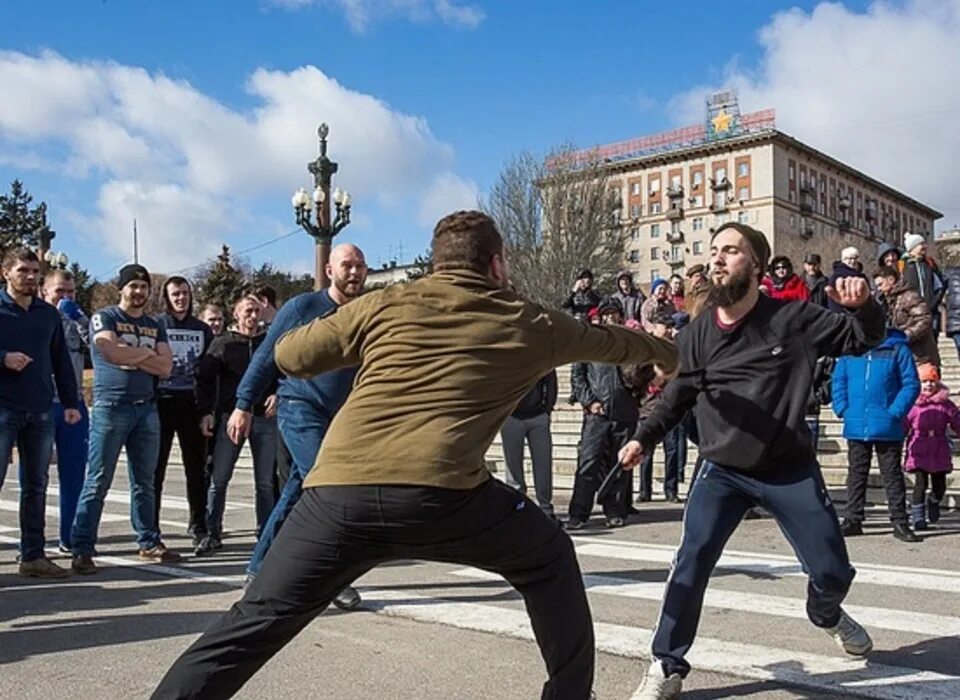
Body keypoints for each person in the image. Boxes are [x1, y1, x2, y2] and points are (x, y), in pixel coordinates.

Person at [151, 210, 679, 700]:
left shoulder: (386, 303)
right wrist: (670, 353)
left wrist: (349, 330)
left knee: (252, 623)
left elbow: (290, 354)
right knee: (549, 558)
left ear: (435, 263)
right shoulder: (531, 321)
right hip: (446, 498)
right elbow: (611, 344)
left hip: (338, 496)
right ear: (496, 264)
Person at [619, 222, 884, 700]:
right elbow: (676, 397)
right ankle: (666, 663)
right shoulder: (697, 334)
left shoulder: (794, 319)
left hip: (789, 469)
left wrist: (864, 306)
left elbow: (862, 338)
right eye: (714, 250)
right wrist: (643, 438)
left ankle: (825, 613)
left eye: (732, 251)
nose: (718, 259)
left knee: (833, 573)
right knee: (691, 560)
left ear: (757, 266)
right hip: (722, 471)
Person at [230, 244, 368, 610]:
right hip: (300, 407)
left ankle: (259, 569)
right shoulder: (302, 308)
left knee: (296, 492)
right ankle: (333, 579)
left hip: (340, 416)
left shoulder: (366, 312)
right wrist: (243, 404)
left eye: (359, 266)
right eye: (347, 266)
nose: (354, 272)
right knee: (330, 489)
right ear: (329, 271)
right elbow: (265, 357)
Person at [71, 264, 180, 574]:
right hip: (111, 407)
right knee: (98, 480)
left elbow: (167, 368)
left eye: (143, 287)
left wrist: (133, 352)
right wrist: (146, 355)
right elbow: (111, 353)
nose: (139, 292)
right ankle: (82, 548)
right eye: (133, 286)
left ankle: (148, 542)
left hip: (146, 409)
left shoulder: (154, 324)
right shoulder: (105, 317)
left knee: (145, 482)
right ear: (121, 288)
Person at [0, 248, 80, 578]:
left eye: (35, 271)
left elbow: (62, 360)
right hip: (3, 408)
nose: (31, 277)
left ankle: (32, 555)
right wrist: (3, 357)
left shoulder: (47, 315)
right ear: (6, 272)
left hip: (40, 409)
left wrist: (72, 403)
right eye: (23, 271)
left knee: (36, 485)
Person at [195, 294, 278, 554]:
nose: (253, 317)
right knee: (219, 479)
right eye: (247, 312)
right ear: (236, 314)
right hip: (230, 418)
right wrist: (206, 412)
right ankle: (212, 532)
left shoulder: (270, 342)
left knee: (265, 483)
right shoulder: (223, 344)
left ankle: (266, 533)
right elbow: (204, 380)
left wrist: (278, 394)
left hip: (264, 420)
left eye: (256, 311)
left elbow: (284, 372)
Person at [832, 327, 921, 542]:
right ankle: (853, 519)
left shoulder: (898, 348)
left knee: (892, 475)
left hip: (887, 424)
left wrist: (895, 411)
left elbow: (911, 383)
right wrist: (842, 407)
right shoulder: (850, 349)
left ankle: (899, 521)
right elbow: (838, 380)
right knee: (856, 473)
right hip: (856, 422)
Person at [567, 296, 638, 530]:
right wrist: (589, 402)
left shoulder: (629, 342)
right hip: (597, 413)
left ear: (620, 316)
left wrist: (636, 396)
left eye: (614, 313)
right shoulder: (590, 342)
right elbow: (577, 375)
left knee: (619, 467)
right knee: (588, 462)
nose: (610, 317)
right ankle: (579, 513)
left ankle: (615, 510)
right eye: (606, 314)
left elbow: (642, 374)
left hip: (624, 412)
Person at [155, 276, 214, 546]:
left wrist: (207, 410)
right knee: (156, 469)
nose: (181, 298)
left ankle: (198, 524)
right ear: (167, 297)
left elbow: (210, 374)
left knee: (196, 468)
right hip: (162, 402)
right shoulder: (157, 326)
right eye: (176, 294)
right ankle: (151, 527)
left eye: (185, 294)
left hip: (192, 404)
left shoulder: (203, 330)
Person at [41, 268, 90, 553]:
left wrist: (79, 317)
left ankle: (69, 537)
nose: (66, 297)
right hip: (41, 405)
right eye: (60, 291)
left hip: (73, 405)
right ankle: (32, 543)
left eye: (71, 292)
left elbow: (97, 346)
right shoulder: (36, 320)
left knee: (74, 475)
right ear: (44, 292)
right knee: (36, 478)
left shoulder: (76, 321)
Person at [634, 312, 683, 504]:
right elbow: (637, 376)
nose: (669, 330)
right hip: (648, 407)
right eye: (665, 325)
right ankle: (644, 491)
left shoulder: (678, 348)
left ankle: (671, 490)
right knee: (645, 451)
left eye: (671, 326)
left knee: (672, 452)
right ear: (654, 326)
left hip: (672, 407)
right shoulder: (647, 350)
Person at [904, 363, 959, 530]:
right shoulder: (912, 404)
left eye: (932, 380)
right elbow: (904, 424)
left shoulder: (945, 404)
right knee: (920, 484)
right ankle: (918, 518)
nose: (928, 384)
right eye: (924, 381)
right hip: (919, 447)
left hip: (939, 449)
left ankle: (934, 500)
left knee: (939, 485)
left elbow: (956, 421)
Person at [499, 369, 558, 517]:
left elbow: (551, 380)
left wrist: (547, 408)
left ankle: (545, 506)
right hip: (511, 416)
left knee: (543, 463)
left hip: (537, 415)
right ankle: (518, 505)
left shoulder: (540, 352)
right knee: (513, 466)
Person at [874, 265, 939, 366]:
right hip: (902, 354)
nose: (879, 289)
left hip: (920, 355)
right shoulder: (885, 301)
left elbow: (924, 319)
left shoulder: (909, 296)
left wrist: (906, 335)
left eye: (880, 284)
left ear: (891, 280)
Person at [899, 232, 944, 338]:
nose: (924, 247)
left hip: (930, 311)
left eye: (924, 244)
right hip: (911, 313)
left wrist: (934, 302)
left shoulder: (929, 264)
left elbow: (940, 285)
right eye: (920, 244)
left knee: (932, 339)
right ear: (912, 248)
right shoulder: (903, 266)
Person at [827, 247, 866, 312]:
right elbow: (833, 301)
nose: (853, 261)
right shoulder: (837, 276)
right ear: (844, 260)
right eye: (850, 258)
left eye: (855, 258)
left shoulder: (861, 276)